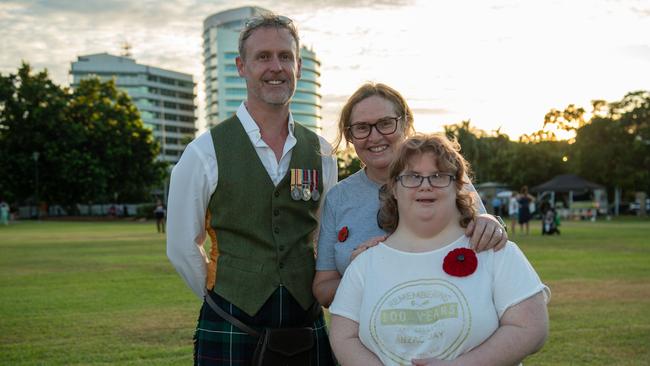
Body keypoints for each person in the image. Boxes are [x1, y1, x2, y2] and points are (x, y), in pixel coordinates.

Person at [166, 13, 336, 365]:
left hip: (305, 324)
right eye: (263, 57)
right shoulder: (204, 151)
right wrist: (225, 297)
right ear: (241, 66)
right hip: (232, 323)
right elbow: (182, 246)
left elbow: (323, 235)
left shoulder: (322, 151)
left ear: (299, 67)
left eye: (285, 56)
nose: (276, 67)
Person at [328, 134, 550, 365]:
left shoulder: (494, 251)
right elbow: (344, 337)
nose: (426, 185)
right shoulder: (364, 264)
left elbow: (531, 328)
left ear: (458, 185)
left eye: (438, 176)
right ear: (394, 187)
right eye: (413, 177)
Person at [313, 83, 507, 307]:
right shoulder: (338, 198)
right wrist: (359, 273)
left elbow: (488, 251)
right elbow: (323, 290)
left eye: (386, 123)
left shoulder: (444, 179)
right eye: (362, 127)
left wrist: (490, 222)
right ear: (350, 136)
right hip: (367, 335)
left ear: (405, 124)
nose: (374, 137)